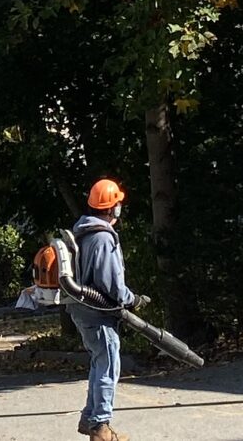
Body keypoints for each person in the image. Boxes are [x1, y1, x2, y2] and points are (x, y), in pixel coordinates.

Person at [66, 179, 150, 441]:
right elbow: (111, 284)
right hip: (97, 313)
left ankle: (90, 419)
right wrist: (133, 299)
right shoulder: (103, 238)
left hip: (81, 310)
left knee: (98, 362)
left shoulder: (83, 232)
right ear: (112, 208)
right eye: (118, 204)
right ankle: (101, 427)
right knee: (109, 366)